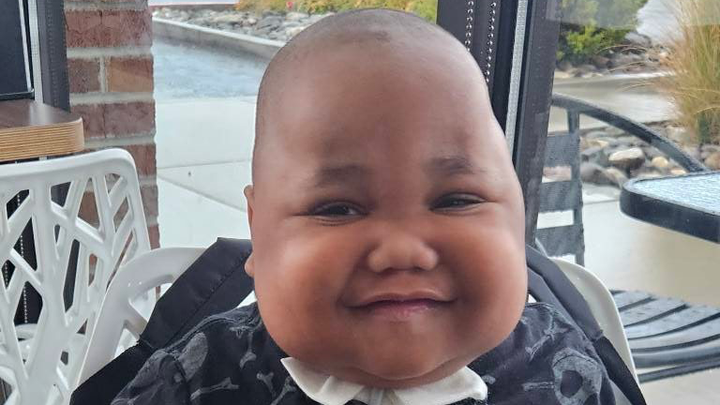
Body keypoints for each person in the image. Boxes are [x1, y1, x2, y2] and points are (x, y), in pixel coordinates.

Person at [111, 9, 616, 405]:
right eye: (337, 209)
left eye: (456, 200)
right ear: (257, 233)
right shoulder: (195, 381)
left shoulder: (566, 370)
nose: (402, 251)